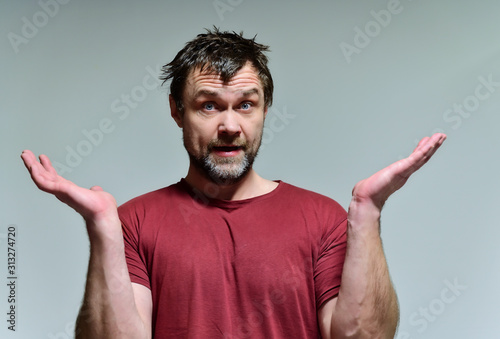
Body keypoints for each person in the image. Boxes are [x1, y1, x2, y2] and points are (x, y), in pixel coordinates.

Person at [21, 28, 446, 339]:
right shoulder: (132, 221)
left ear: (265, 109)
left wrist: (368, 213)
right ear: (176, 111)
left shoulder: (323, 219)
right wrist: (102, 228)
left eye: (246, 105)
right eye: (208, 106)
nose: (230, 126)